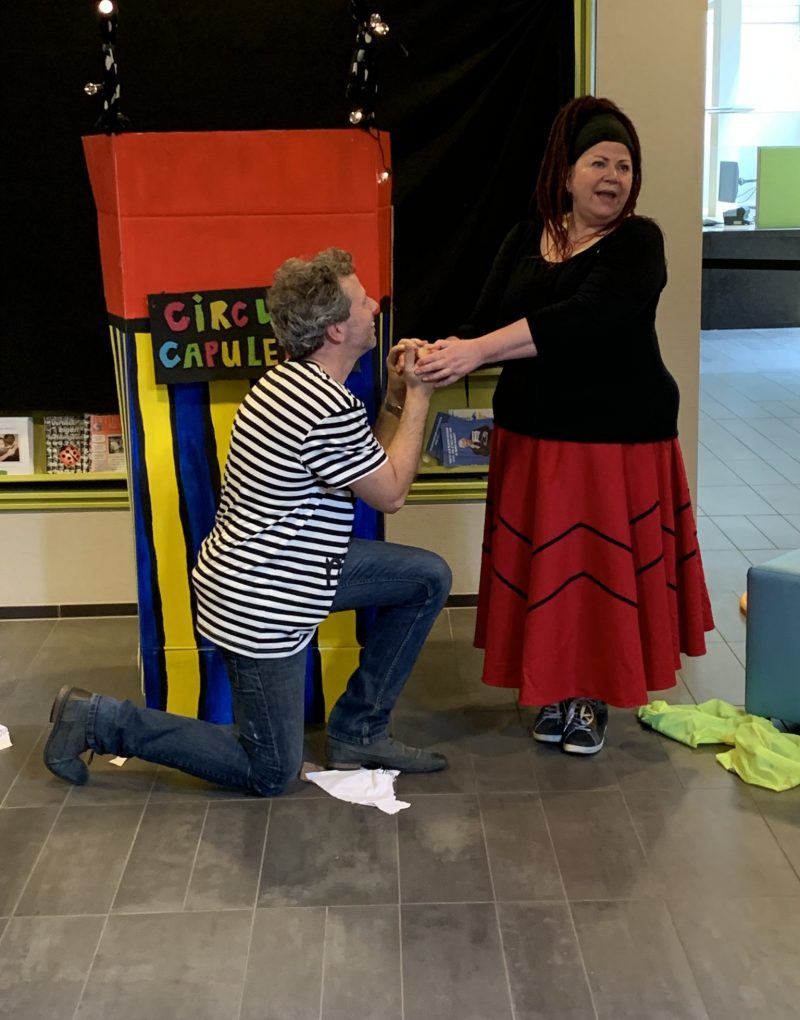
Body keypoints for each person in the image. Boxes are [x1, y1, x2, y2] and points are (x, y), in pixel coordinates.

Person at [44, 247, 452, 795]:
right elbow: (393, 493)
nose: (375, 306)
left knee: (426, 578)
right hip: (264, 596)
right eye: (361, 302)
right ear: (334, 329)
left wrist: (398, 394)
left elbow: (372, 467)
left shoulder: (294, 384)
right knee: (271, 772)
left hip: (299, 566)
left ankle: (360, 731)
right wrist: (422, 394)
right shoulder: (321, 406)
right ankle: (97, 720)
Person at [415, 95, 713, 755]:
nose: (614, 177)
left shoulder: (639, 243)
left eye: (625, 166)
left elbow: (582, 319)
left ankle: (588, 698)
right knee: (549, 576)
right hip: (532, 438)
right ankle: (553, 688)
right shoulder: (525, 238)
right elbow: (483, 324)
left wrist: (477, 350)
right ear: (567, 172)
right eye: (599, 162)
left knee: (595, 577)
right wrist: (436, 352)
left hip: (614, 444)